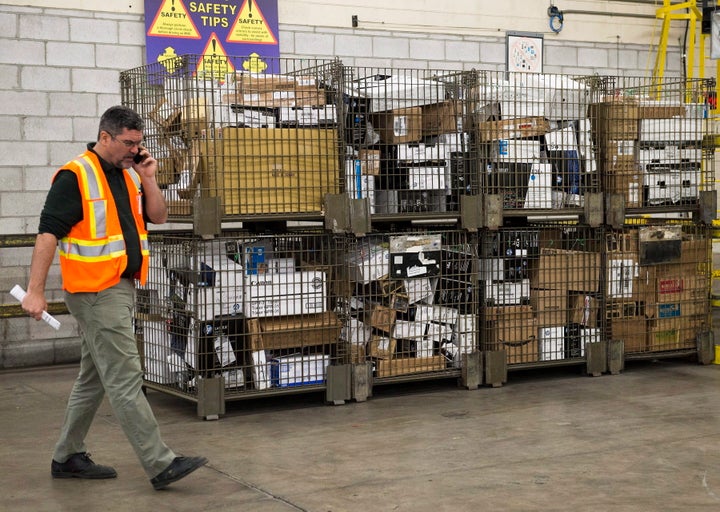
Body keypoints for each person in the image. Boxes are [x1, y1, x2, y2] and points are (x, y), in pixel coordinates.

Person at [21, 105, 207, 490]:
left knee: (94, 379)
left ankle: (67, 455)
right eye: (128, 143)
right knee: (125, 377)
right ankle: (160, 463)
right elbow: (47, 234)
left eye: (139, 143)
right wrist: (36, 291)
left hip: (119, 287)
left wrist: (149, 177)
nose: (134, 150)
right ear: (104, 137)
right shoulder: (75, 176)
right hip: (95, 292)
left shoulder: (130, 176)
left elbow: (157, 216)